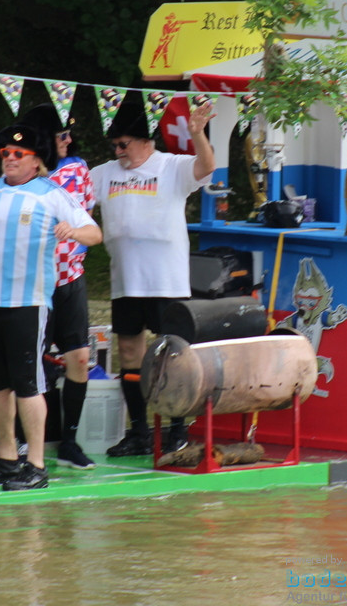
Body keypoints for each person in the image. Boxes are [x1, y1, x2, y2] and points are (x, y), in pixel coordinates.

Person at [0, 113, 101, 491]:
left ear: (36, 160)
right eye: (5, 152)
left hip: (28, 305)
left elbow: (94, 233)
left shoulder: (51, 193)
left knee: (28, 385)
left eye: (19, 152)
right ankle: (5, 459)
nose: (10, 157)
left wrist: (73, 230)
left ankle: (35, 464)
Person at [90, 99, 215, 457]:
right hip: (125, 279)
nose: (117, 151)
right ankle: (139, 431)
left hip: (166, 280)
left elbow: (206, 168)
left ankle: (178, 428)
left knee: (172, 354)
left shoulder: (171, 166)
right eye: (114, 145)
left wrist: (197, 135)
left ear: (145, 141)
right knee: (129, 352)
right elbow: (72, 197)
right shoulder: (104, 173)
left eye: (123, 144)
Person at [38, 106, 98, 470]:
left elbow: (86, 216)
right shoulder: (26, 175)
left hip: (70, 278)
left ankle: (70, 441)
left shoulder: (78, 170)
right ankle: (30, 439)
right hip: (35, 283)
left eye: (67, 135)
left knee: (78, 358)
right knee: (33, 364)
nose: (68, 141)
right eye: (61, 136)